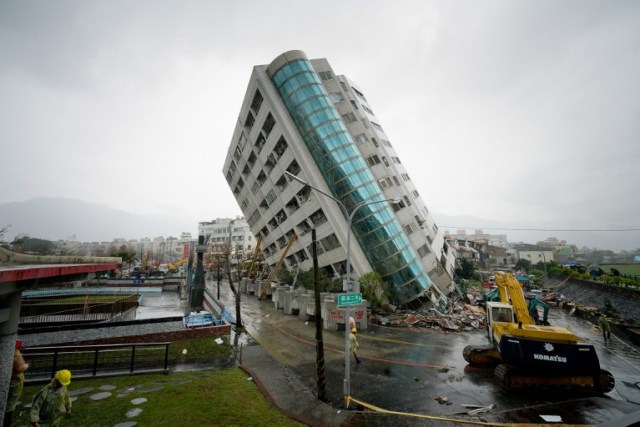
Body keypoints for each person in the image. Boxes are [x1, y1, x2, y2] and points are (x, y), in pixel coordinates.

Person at [4, 339, 29, 427]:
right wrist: (26, 365)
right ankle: (6, 423)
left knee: (10, 403)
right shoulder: (16, 355)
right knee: (9, 405)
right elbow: (21, 368)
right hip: (15, 382)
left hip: (14, 381)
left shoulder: (11, 353)